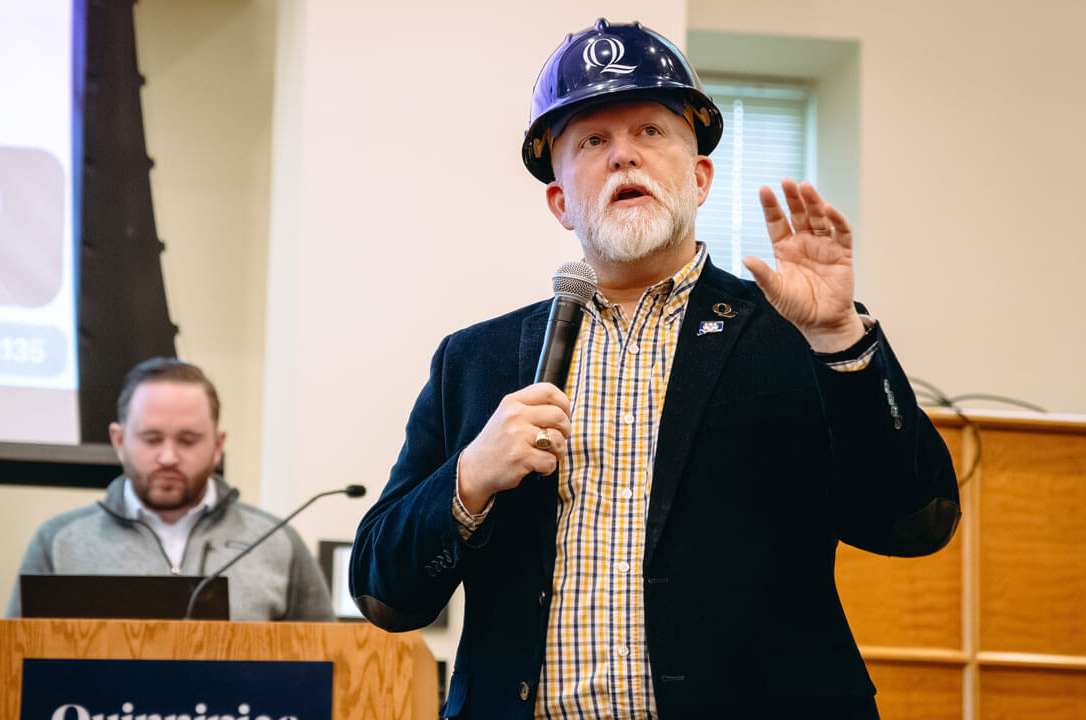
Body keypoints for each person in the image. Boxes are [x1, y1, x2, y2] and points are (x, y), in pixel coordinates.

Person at [350, 18, 959, 719]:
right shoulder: (476, 360)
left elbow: (917, 524)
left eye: (650, 132)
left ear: (699, 178)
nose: (623, 158)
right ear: (559, 201)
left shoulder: (793, 331)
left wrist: (839, 338)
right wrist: (468, 481)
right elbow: (382, 594)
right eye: (593, 142)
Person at [7, 357, 334, 622]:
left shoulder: (276, 541)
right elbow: (16, 666)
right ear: (119, 441)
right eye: (151, 439)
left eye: (187, 440)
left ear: (218, 445)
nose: (168, 457)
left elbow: (325, 666)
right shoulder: (60, 541)